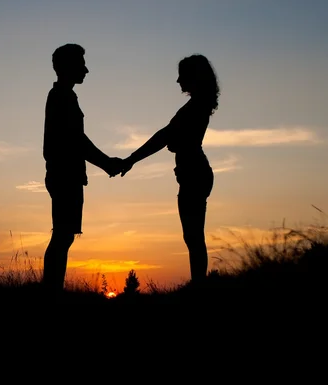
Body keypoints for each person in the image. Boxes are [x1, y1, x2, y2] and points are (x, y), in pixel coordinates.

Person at [120, 54, 219, 286]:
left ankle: (199, 286)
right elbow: (169, 137)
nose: (177, 81)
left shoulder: (195, 107)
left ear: (193, 76)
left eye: (181, 75)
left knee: (193, 237)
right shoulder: (196, 105)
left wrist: (132, 159)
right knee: (192, 236)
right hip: (193, 173)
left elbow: (166, 137)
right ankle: (198, 284)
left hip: (194, 173)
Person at [42, 43, 122, 293]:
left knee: (64, 236)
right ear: (68, 67)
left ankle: (52, 290)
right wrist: (107, 162)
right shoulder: (62, 97)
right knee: (62, 236)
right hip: (65, 175)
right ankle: (51, 291)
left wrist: (105, 162)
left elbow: (77, 141)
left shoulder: (65, 96)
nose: (86, 70)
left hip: (67, 174)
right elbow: (77, 141)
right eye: (81, 65)